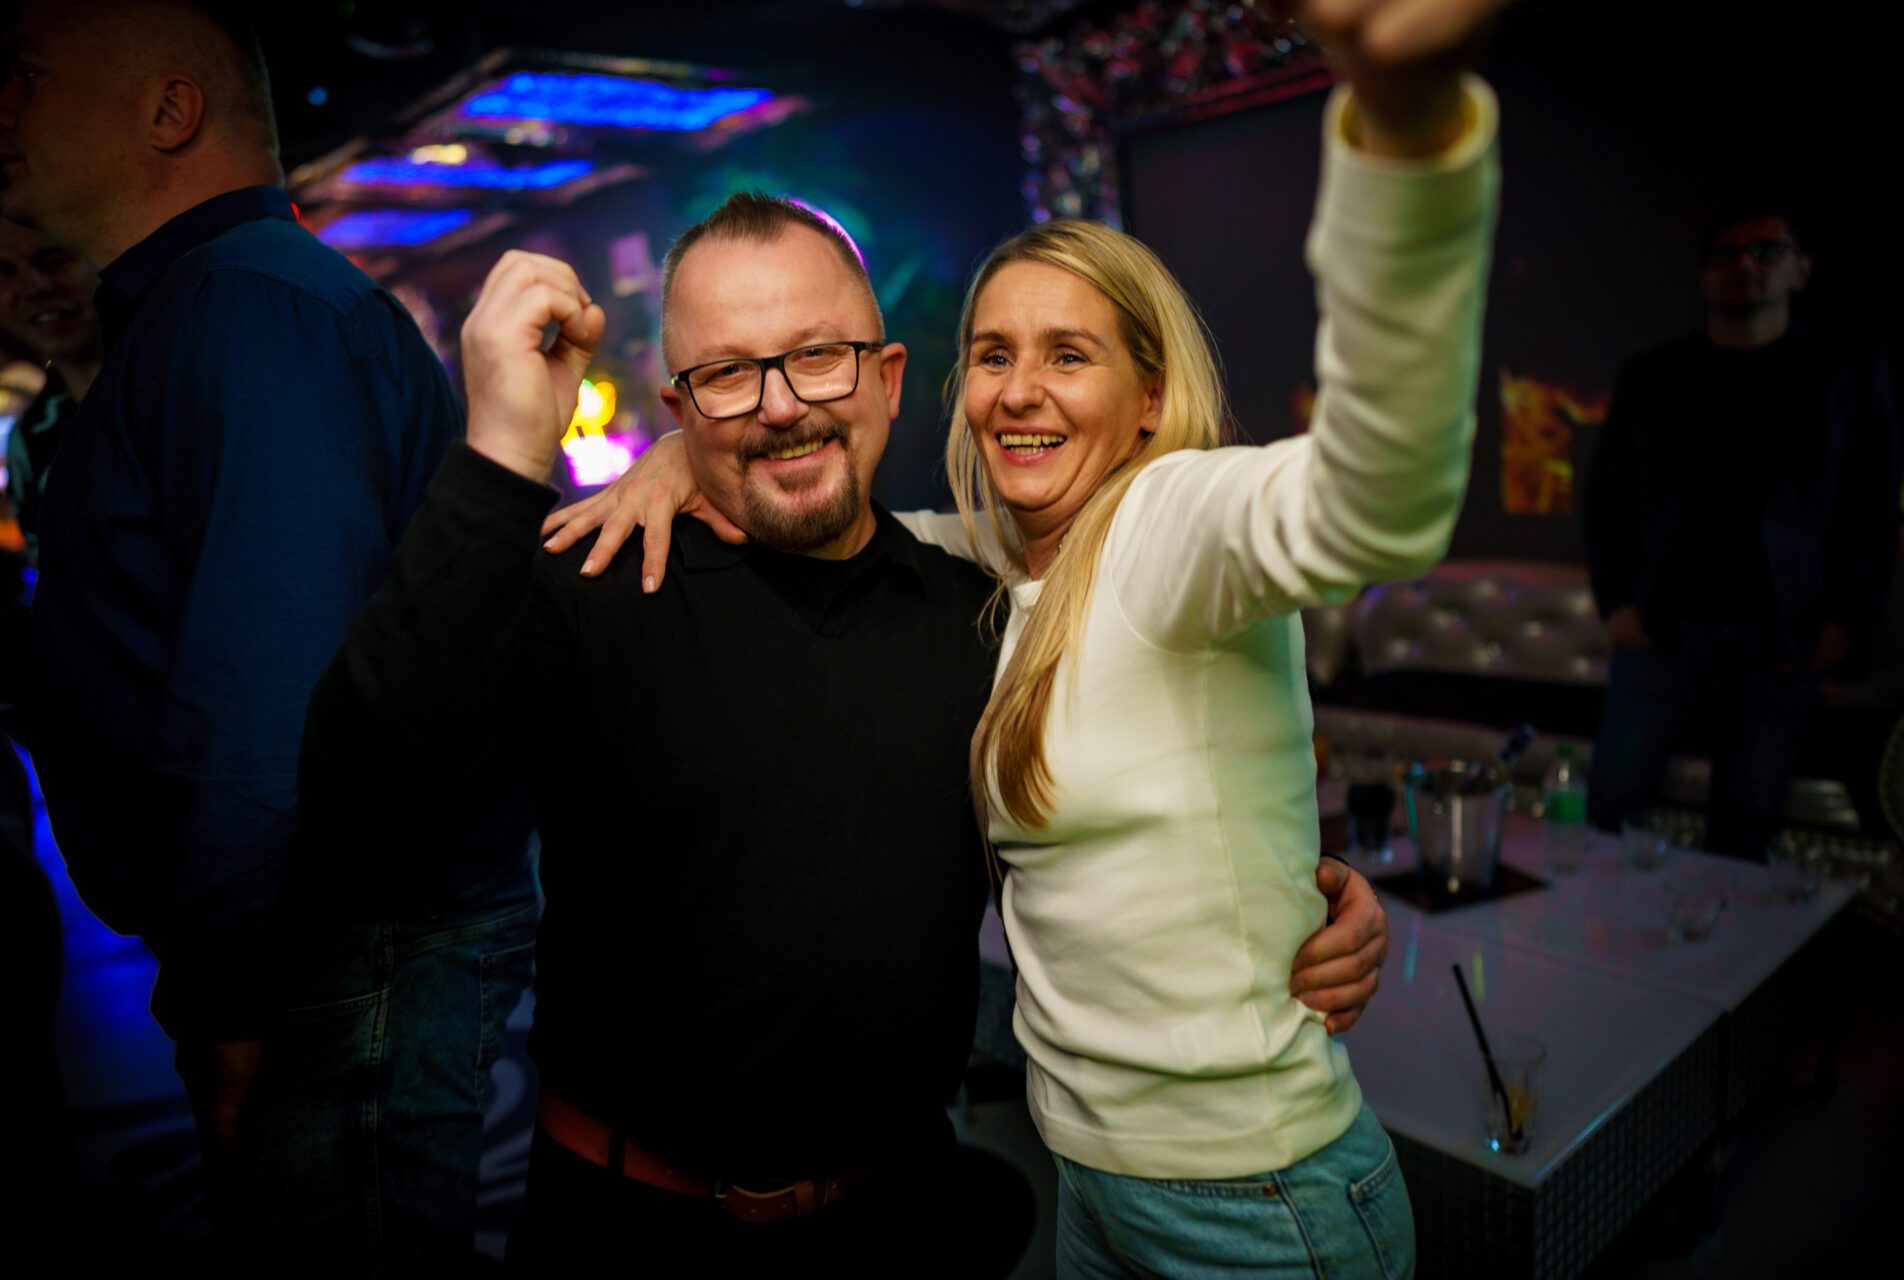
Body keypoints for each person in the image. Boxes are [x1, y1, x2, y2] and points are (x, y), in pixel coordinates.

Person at [553, 2, 1502, 1272]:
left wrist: (1407, 136)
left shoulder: (1173, 523)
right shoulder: (987, 562)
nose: (1020, 390)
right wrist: (686, 448)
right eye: (995, 353)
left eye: (1070, 354)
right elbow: (826, 508)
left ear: (1150, 394)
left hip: (1254, 1198)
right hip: (1095, 1186)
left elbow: (1377, 499)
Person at [304, 186, 1392, 1269]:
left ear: (889, 376)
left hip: (904, 1221)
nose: (781, 406)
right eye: (728, 374)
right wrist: (501, 456)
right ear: (680, 403)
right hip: (630, 1228)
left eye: (817, 356)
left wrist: (1293, 884)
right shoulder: (604, 580)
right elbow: (358, 799)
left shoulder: (973, 605)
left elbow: (1136, 784)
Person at [0, 0, 538, 1264]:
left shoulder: (249, 307)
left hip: (327, 959)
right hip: (307, 948)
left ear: (169, 110)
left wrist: (231, 1003)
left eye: (30, 76)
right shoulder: (208, 305)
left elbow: (269, 701)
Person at [1583, 202, 1902, 857]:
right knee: (1610, 802)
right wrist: (1616, 603)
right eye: (1728, 254)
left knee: (1747, 820)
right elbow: (1606, 500)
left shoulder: (1846, 371)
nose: (1746, 266)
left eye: (1766, 251)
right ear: (1705, 274)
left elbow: (1872, 508)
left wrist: (1845, 622)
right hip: (1666, 626)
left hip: (1783, 635)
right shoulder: (1653, 376)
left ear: (1800, 268)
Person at [0, 211, 102, 566]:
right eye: (1, 271)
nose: (34, 287)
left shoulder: (176, 398)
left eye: (56, 260)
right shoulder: (31, 438)